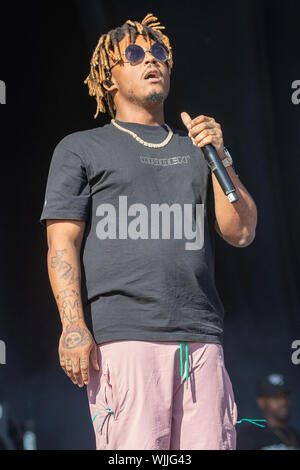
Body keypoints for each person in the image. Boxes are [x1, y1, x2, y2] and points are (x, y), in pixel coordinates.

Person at [40, 13, 257, 450]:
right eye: (134, 55)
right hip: (126, 339)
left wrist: (221, 155)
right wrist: (72, 325)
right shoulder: (81, 148)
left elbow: (242, 232)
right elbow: (62, 242)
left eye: (158, 52)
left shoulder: (196, 149)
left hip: (201, 341)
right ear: (109, 78)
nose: (150, 60)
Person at [237, 373, 300, 450]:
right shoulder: (249, 435)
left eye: (285, 396)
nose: (283, 402)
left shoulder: (294, 435)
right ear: (261, 402)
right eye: (276, 397)